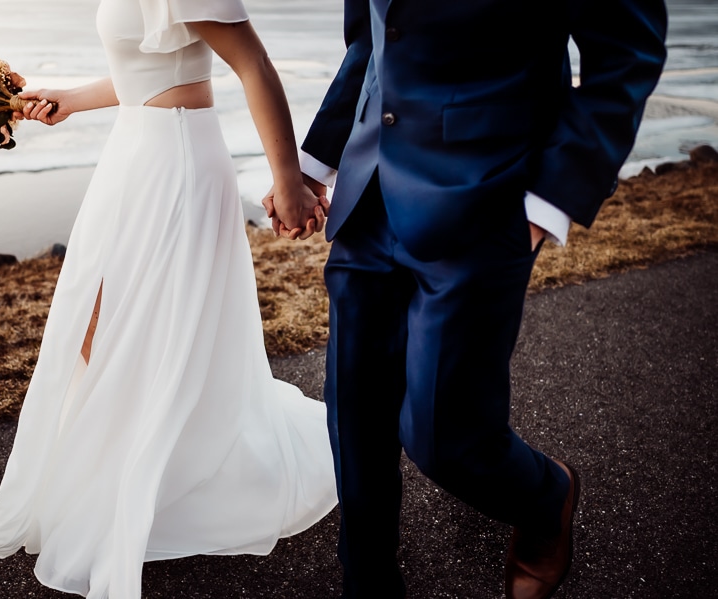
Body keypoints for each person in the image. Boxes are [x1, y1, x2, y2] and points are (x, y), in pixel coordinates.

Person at [266, 1, 668, 597]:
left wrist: (546, 204)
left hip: (487, 197)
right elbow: (374, 43)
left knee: (446, 439)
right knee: (354, 417)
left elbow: (627, 53)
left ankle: (547, 497)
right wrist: (313, 163)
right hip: (369, 190)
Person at [0, 1, 337, 597]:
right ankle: (139, 474)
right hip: (135, 152)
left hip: (175, 160)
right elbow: (150, 70)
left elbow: (253, 64)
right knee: (97, 330)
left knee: (135, 330)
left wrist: (287, 179)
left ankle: (157, 483)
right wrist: (72, 99)